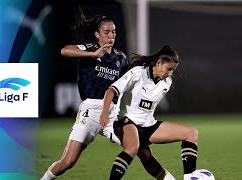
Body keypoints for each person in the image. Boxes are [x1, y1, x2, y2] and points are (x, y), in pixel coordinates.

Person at [40, 10, 175, 180]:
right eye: (106, 32)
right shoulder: (90, 48)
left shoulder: (121, 58)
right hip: (91, 111)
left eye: (113, 31)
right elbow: (65, 51)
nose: (111, 35)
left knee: (142, 150)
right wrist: (93, 55)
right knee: (68, 161)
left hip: (113, 111)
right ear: (97, 34)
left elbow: (127, 84)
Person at [100, 45, 199, 180]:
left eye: (173, 70)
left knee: (191, 133)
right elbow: (111, 90)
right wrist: (105, 112)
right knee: (133, 149)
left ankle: (190, 178)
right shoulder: (138, 73)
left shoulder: (166, 83)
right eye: (169, 69)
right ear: (159, 63)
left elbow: (150, 105)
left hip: (147, 126)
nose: (170, 74)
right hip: (126, 121)